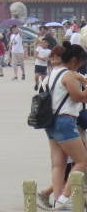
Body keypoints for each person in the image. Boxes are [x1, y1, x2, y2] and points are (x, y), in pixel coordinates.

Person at [42, 43, 87, 210]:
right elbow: (78, 97)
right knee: (82, 161)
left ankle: (57, 200)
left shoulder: (52, 74)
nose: (80, 66)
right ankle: (64, 199)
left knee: (58, 164)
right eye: (81, 62)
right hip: (65, 121)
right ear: (75, 60)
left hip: (50, 123)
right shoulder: (68, 75)